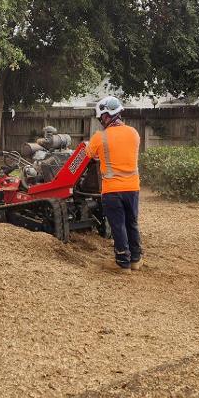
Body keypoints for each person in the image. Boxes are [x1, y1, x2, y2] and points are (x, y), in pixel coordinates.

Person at [86, 96, 142, 274]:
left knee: (118, 225)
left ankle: (122, 263)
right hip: (133, 187)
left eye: (100, 118)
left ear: (105, 116)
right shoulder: (134, 133)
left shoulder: (99, 137)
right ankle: (136, 260)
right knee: (131, 223)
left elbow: (89, 155)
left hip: (112, 190)